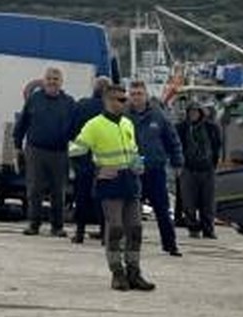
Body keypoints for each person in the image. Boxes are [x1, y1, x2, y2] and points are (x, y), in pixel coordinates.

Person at [69, 83, 154, 291]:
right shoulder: (94, 125)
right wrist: (96, 170)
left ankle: (134, 271)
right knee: (115, 229)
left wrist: (138, 165)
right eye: (121, 100)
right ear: (108, 101)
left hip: (130, 183)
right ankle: (117, 273)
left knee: (135, 229)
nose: (125, 103)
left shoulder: (127, 123)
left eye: (125, 100)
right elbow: (75, 151)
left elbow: (133, 149)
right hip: (110, 185)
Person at [12, 67, 76, 237]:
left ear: (61, 82)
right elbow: (22, 123)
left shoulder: (69, 102)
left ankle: (57, 227)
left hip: (59, 153)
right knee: (34, 190)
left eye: (56, 79)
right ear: (43, 80)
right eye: (49, 78)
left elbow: (76, 129)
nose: (52, 81)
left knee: (58, 191)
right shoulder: (34, 99)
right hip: (35, 151)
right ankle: (33, 224)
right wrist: (17, 146)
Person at [127, 80, 184, 256]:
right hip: (133, 170)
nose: (137, 97)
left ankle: (170, 244)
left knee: (162, 210)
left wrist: (177, 161)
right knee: (131, 211)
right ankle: (130, 243)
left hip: (155, 169)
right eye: (133, 94)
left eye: (139, 93)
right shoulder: (124, 117)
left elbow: (172, 140)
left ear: (146, 95)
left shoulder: (158, 116)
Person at [69, 76, 110, 244]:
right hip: (104, 159)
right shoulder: (112, 110)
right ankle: (104, 233)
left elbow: (71, 129)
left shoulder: (81, 105)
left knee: (82, 196)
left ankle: (79, 232)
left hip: (82, 157)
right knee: (103, 198)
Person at [176, 103, 221, 239]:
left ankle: (208, 230)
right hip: (188, 168)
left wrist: (214, 164)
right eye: (191, 112)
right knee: (188, 202)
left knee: (208, 202)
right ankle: (193, 227)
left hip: (207, 169)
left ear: (201, 113)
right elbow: (176, 146)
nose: (193, 115)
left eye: (196, 112)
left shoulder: (211, 128)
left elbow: (217, 146)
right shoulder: (182, 128)